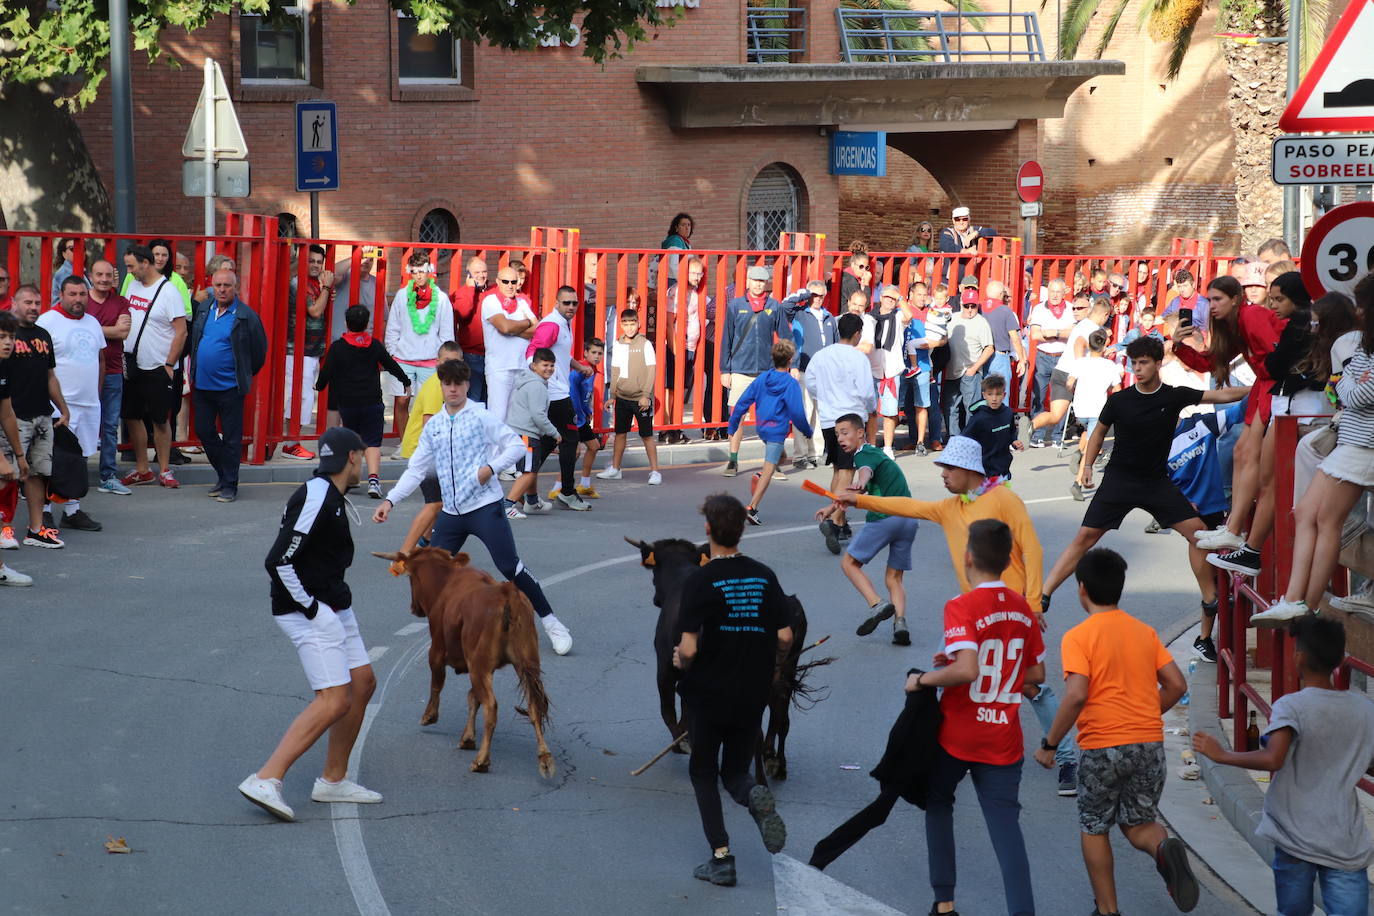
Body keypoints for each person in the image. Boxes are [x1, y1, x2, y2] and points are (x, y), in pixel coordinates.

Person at [834, 435, 1081, 794]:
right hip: (971, 613)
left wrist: (1033, 604)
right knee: (939, 679)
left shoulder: (1004, 499)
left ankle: (1066, 758)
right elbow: (908, 506)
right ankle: (942, 754)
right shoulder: (950, 507)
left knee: (1032, 686)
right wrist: (858, 498)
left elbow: (1033, 549)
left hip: (1012, 611)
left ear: (968, 469)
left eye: (948, 468)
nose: (943, 474)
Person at [1044, 336, 1250, 664]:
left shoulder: (1175, 396)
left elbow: (1221, 394)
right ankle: (1044, 594)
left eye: (1143, 363)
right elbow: (1098, 432)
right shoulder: (1120, 400)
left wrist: (1259, 390)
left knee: (1199, 533)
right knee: (1085, 537)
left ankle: (1209, 597)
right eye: (1133, 363)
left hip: (1156, 483)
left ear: (1157, 363)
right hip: (1119, 481)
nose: (1137, 369)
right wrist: (1086, 467)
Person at [1033, 548, 1197, 916]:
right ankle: (1163, 848)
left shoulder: (1079, 637)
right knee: (1139, 824)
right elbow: (1175, 684)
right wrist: (1140, 715)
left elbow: (1076, 695)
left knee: (1094, 826)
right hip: (1149, 745)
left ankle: (1108, 910)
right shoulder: (1144, 632)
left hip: (1103, 746)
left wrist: (1049, 743)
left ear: (1081, 589)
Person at [373, 359, 573, 656]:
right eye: (447, 384)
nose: (452, 389)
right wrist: (390, 501)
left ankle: (552, 622)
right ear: (441, 386)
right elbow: (416, 470)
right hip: (451, 515)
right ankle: (458, 628)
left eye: (458, 383)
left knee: (509, 566)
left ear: (467, 385)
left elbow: (516, 447)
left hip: (484, 508)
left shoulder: (481, 416)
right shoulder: (436, 426)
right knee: (432, 575)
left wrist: (490, 468)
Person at [240, 427, 382, 822]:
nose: (369, 461)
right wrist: (312, 609)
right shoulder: (317, 496)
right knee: (334, 700)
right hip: (309, 611)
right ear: (353, 457)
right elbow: (278, 561)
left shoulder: (332, 495)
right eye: (364, 455)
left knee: (362, 682)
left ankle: (333, 781)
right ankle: (266, 778)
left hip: (334, 605)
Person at [1193, 615, 1374, 916]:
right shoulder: (1365, 710)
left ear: (1298, 657)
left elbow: (1274, 758)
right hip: (1345, 839)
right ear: (1340, 660)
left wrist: (1222, 755)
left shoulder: (1292, 706)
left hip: (1294, 836)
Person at [910, 518, 1044, 916]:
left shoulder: (961, 605)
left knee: (938, 801)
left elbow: (967, 669)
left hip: (958, 734)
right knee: (1006, 829)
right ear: (1007, 561)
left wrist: (925, 679)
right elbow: (1036, 675)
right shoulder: (1022, 608)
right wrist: (998, 673)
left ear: (968, 557)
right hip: (1003, 737)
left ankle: (945, 902)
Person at [673, 493, 792, 887]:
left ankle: (721, 858)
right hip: (753, 691)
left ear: (708, 530)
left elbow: (688, 647)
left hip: (709, 693)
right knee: (736, 771)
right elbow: (786, 635)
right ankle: (751, 793)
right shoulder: (764, 575)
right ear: (742, 529)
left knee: (703, 771)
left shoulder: (701, 580)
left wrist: (680, 660)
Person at [1250, 274, 1374, 624]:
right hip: (1353, 441)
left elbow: (1354, 394)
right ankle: (1296, 599)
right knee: (1306, 512)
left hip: (1364, 445)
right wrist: (1349, 382)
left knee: (1324, 520)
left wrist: (1347, 382)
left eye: (1363, 305)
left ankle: (1305, 602)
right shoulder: (1362, 345)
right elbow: (1346, 391)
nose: (1359, 311)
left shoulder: (1355, 344)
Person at [1182, 275, 1287, 557]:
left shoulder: (1251, 316)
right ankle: (1233, 527)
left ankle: (1235, 528)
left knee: (1248, 456)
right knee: (1242, 452)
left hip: (1274, 389)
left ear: (1235, 298)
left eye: (1218, 299)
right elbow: (1210, 363)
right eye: (1210, 300)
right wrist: (1180, 346)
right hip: (1265, 388)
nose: (1212, 306)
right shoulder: (1237, 323)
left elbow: (1277, 355)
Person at [822, 413, 917, 645]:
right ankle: (900, 624)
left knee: (849, 563)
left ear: (860, 433)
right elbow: (859, 491)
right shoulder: (876, 454)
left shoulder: (864, 454)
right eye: (837, 435)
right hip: (908, 518)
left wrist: (861, 482)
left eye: (845, 433)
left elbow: (865, 473)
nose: (841, 438)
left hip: (885, 517)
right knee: (894, 577)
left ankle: (877, 604)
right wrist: (832, 505)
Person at [186, 268, 269, 504]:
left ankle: (230, 485)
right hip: (202, 386)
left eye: (227, 286)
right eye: (218, 285)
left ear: (236, 287)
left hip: (230, 388)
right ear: (212, 286)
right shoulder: (204, 309)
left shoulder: (246, 316)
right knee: (204, 431)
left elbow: (259, 352)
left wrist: (242, 372)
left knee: (232, 438)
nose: (222, 290)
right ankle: (224, 475)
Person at [315, 305, 410, 499]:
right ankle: (373, 481)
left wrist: (319, 385)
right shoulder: (374, 345)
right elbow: (391, 365)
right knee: (373, 443)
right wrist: (405, 381)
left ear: (346, 323)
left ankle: (349, 479)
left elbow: (326, 373)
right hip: (372, 402)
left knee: (353, 442)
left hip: (348, 404)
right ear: (367, 324)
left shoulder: (338, 347)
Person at [36, 277, 105, 532]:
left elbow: (100, 360)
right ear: (61, 294)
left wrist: (96, 395)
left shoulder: (93, 323)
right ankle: (43, 511)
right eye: (72, 294)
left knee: (80, 458)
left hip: (89, 404)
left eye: (82, 294)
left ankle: (72, 511)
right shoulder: (47, 321)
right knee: (52, 458)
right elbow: (40, 366)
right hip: (59, 405)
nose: (78, 299)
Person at [805, 313, 877, 555]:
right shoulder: (858, 358)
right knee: (847, 472)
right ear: (857, 334)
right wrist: (869, 410)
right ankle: (835, 521)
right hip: (851, 416)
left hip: (828, 418)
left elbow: (812, 383)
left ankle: (840, 521)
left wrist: (825, 398)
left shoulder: (821, 356)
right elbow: (867, 391)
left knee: (838, 469)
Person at [5, 285, 70, 549]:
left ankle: (35, 530)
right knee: (7, 475)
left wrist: (63, 408)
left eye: (37, 302)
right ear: (14, 303)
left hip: (43, 416)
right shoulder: (6, 334)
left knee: (38, 474)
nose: (33, 307)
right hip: (13, 417)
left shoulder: (43, 334)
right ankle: (5, 529)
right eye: (28, 302)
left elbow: (50, 377)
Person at [119, 245, 187, 489]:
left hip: (158, 366)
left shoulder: (169, 291)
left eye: (131, 266)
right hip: (132, 363)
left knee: (160, 419)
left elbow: (181, 331)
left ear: (145, 263)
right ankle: (142, 469)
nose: (129, 271)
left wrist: (169, 364)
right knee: (132, 416)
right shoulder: (134, 285)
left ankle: (165, 469)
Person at [728, 340, 811, 527]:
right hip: (776, 430)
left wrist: (733, 425)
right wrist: (807, 431)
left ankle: (759, 476)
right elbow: (797, 413)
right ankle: (753, 507)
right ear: (790, 360)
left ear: (773, 358)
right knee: (769, 469)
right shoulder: (790, 383)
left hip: (762, 428)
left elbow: (742, 403)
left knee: (781, 456)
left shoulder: (762, 378)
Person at [526, 286, 594, 510]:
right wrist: (541, 381)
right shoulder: (552, 325)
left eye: (575, 303)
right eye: (566, 303)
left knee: (546, 443)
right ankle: (567, 491)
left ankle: (525, 495)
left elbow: (559, 355)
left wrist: (578, 366)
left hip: (556, 391)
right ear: (556, 303)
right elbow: (532, 352)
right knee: (570, 439)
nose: (571, 307)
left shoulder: (562, 323)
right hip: (555, 394)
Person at [720, 265, 790, 477]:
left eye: (763, 281)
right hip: (740, 369)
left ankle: (772, 463)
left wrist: (788, 366)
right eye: (755, 280)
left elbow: (785, 337)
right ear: (748, 281)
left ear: (766, 283)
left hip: (767, 371)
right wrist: (725, 369)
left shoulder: (774, 306)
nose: (759, 284)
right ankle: (733, 460)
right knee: (737, 417)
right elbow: (727, 339)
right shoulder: (735, 305)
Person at [384, 252, 454, 446]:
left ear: (429, 271)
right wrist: (393, 351)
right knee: (401, 402)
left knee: (427, 406)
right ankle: (405, 443)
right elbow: (393, 326)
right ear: (410, 272)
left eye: (422, 271)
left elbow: (447, 333)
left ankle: (424, 444)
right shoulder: (401, 295)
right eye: (414, 272)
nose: (419, 276)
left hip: (431, 361)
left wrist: (443, 360)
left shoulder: (440, 299)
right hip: (403, 359)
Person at [597, 308, 662, 486]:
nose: (629, 328)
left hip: (640, 400)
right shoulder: (617, 344)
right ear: (621, 325)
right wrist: (612, 395)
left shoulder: (645, 344)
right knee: (620, 434)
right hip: (622, 398)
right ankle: (615, 469)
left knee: (647, 436)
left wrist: (646, 396)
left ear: (638, 324)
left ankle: (655, 471)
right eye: (625, 324)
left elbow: (651, 370)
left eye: (632, 324)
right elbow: (616, 369)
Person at [84, 260, 132, 496]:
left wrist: (89, 326)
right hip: (84, 372)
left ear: (113, 277)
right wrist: (107, 329)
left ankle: (108, 476)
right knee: (79, 423)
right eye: (98, 274)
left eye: (107, 275)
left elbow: (123, 332)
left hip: (112, 371)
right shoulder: (82, 299)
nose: (103, 279)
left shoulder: (120, 301)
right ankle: (75, 473)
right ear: (91, 276)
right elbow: (76, 327)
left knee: (110, 426)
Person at [783, 279, 836, 468]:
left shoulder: (829, 317)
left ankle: (815, 452)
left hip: (824, 373)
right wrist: (805, 293)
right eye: (814, 295)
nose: (818, 299)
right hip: (804, 369)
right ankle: (800, 455)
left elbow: (835, 346)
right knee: (803, 413)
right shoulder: (799, 314)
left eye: (821, 295)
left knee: (821, 415)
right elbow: (785, 305)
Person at [504, 347, 562, 517]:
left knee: (531, 469)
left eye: (552, 365)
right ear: (534, 366)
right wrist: (554, 433)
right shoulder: (537, 386)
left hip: (520, 432)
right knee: (529, 473)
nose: (549, 369)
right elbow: (538, 415)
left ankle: (532, 501)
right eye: (545, 365)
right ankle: (508, 506)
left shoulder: (528, 382)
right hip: (527, 433)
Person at [1066, 330, 1124, 499]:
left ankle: (1079, 451)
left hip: (1080, 408)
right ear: (1105, 345)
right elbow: (1117, 390)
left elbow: (1069, 383)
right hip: (1097, 410)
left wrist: (1075, 390)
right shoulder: (1109, 366)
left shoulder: (1080, 363)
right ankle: (1078, 482)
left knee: (1087, 430)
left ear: (1089, 345)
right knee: (1093, 445)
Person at [0, 309, 33, 584]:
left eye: (10, 337)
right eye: (1, 337)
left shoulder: (5, 366)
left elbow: (7, 413)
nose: (8, 342)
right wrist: (2, 460)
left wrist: (19, 455)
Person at [479, 265, 537, 422]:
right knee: (497, 418)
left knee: (515, 420)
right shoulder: (490, 301)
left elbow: (537, 329)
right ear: (498, 281)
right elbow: (505, 327)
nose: (510, 285)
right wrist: (525, 323)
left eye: (513, 281)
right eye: (505, 281)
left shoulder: (522, 302)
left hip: (521, 366)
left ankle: (510, 448)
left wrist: (512, 329)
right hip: (499, 368)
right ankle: (494, 448)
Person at [1027, 278, 1075, 446]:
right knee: (1038, 396)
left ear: (1064, 292)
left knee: (1061, 398)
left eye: (1058, 291)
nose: (1054, 295)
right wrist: (1061, 333)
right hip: (1043, 356)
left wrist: (1052, 332)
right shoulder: (1039, 308)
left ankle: (1057, 436)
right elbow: (1035, 334)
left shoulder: (1070, 309)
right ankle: (1036, 435)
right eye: (1052, 291)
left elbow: (1074, 332)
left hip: (1063, 357)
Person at [942, 289, 993, 437]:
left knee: (972, 407)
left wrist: (975, 368)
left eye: (973, 306)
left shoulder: (981, 322)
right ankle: (954, 438)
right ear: (961, 304)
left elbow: (989, 348)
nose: (970, 309)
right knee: (950, 408)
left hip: (970, 371)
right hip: (952, 371)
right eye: (967, 306)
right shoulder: (952, 318)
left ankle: (972, 438)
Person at [870, 287, 909, 457]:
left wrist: (899, 297)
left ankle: (887, 447)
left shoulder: (898, 316)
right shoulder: (870, 317)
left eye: (893, 299)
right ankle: (871, 445)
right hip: (872, 368)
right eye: (887, 297)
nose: (890, 300)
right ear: (881, 297)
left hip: (892, 370)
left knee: (890, 412)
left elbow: (910, 316)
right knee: (871, 412)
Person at [960, 373, 1021, 480]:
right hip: (983, 473)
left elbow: (1011, 432)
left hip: (1003, 470)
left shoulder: (1008, 413)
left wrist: (1014, 441)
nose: (994, 398)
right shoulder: (978, 418)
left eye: (998, 394)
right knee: (982, 497)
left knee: (1002, 497)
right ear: (984, 395)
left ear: (1004, 395)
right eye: (990, 394)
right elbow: (964, 440)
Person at [566, 337, 605, 500]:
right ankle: (559, 487)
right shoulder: (581, 370)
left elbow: (584, 395)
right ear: (586, 353)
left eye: (600, 353)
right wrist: (578, 412)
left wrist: (587, 409)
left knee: (593, 446)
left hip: (581, 416)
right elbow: (572, 390)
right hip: (574, 417)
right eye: (593, 352)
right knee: (571, 453)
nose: (597, 356)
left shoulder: (591, 370)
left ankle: (585, 485)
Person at [450, 255, 492, 403]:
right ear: (468, 274)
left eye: (484, 272)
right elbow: (463, 313)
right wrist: (470, 289)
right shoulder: (462, 292)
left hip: (492, 355)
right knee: (472, 399)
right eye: (477, 272)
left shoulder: (493, 291)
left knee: (489, 400)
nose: (481, 275)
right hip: (471, 355)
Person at [982, 279, 1025, 386]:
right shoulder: (1006, 311)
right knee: (1001, 394)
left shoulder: (978, 308)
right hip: (999, 358)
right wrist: (1022, 360)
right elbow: (1015, 338)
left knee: (984, 395)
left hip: (981, 356)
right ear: (1001, 294)